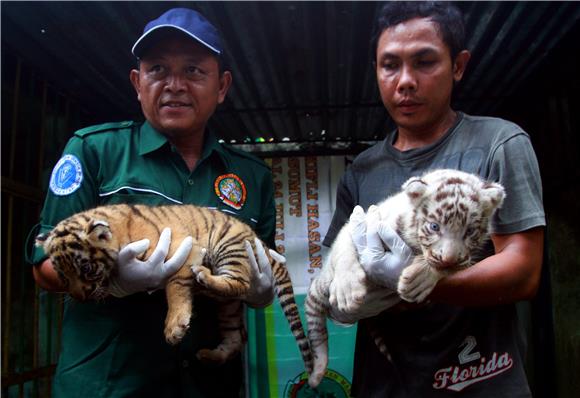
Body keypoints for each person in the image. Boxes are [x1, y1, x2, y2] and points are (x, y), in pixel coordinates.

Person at [25, 8, 278, 397]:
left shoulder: (251, 175)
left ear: (222, 86)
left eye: (194, 70)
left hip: (208, 384)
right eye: (158, 69)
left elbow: (263, 270)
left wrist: (259, 291)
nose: (174, 85)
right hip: (107, 385)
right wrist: (114, 281)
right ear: (137, 82)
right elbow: (43, 266)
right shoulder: (94, 151)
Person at [323, 2, 545, 397]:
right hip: (385, 383)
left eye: (424, 62)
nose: (405, 81)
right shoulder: (361, 170)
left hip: (480, 379)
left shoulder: (499, 143)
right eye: (389, 65)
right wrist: (342, 294)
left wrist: (425, 280)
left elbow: (524, 270)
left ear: (458, 65)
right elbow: (338, 273)